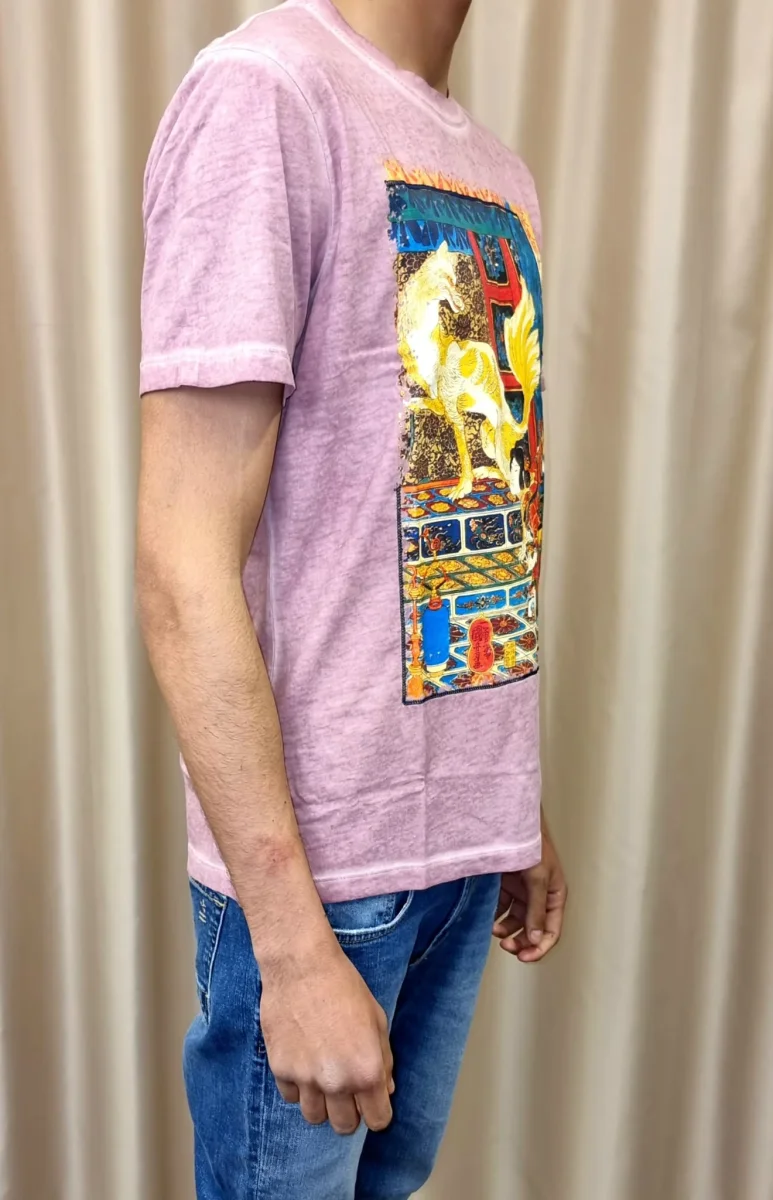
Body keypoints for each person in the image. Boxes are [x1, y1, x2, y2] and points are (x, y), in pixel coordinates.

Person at [136, 1, 568, 1196]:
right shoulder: (268, 93)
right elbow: (180, 562)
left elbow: (461, 503)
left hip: (455, 862)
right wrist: (288, 947)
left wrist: (503, 803)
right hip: (322, 885)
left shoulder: (493, 171)